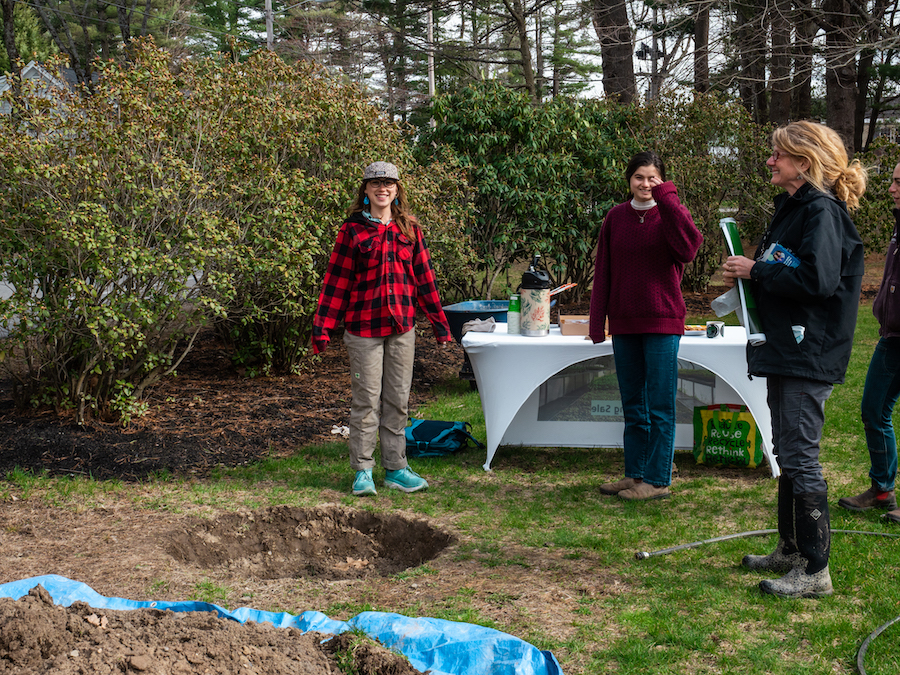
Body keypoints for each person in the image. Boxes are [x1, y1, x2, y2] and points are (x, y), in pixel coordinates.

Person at [722, 121, 867, 598]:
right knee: (786, 451)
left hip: (810, 350)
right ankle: (790, 547)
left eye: (778, 155)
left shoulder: (821, 211)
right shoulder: (794, 207)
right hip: (787, 347)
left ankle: (816, 570)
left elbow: (818, 281)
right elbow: (789, 266)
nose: (770, 161)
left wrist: (756, 269)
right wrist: (752, 272)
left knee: (802, 456)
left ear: (803, 163)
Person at [312, 162, 453, 497]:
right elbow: (336, 282)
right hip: (363, 330)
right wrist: (322, 328)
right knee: (366, 402)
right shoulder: (352, 231)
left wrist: (440, 325)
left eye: (388, 183)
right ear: (366, 190)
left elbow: (425, 279)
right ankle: (363, 471)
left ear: (397, 189)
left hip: (402, 328)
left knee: (397, 401)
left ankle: (397, 468)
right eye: (375, 183)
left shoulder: (409, 230)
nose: (382, 189)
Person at [589, 151, 703, 501]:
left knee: (660, 405)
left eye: (653, 178)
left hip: (662, 322)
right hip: (625, 322)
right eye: (639, 177)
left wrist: (669, 200)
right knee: (633, 404)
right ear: (629, 180)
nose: (645, 184)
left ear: (663, 183)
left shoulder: (670, 216)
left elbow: (689, 250)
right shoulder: (616, 218)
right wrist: (598, 322)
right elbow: (604, 270)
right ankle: (635, 474)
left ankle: (658, 480)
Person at [838, 162, 900, 523]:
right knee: (873, 411)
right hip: (891, 338)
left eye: (897, 182)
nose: (891, 188)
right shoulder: (898, 226)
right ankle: (882, 489)